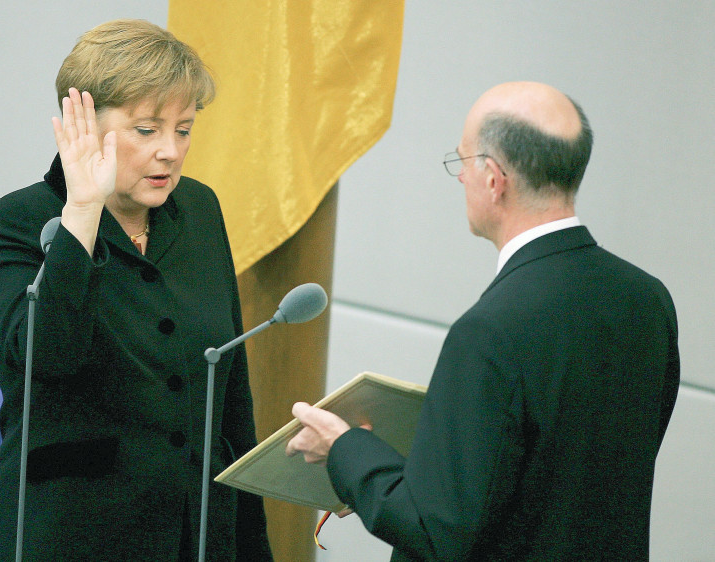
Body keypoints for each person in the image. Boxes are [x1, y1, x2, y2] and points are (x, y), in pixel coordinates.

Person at [286, 81, 680, 560]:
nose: (459, 178)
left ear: (494, 179)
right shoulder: (647, 300)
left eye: (462, 161)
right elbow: (565, 468)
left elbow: (435, 529)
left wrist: (345, 449)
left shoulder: (489, 332)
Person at [0, 19, 272, 561]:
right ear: (80, 123)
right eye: (147, 129)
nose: (171, 152)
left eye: (183, 129)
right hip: (65, 533)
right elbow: (43, 359)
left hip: (193, 533)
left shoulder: (199, 210)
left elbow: (229, 391)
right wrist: (82, 213)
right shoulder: (19, 219)